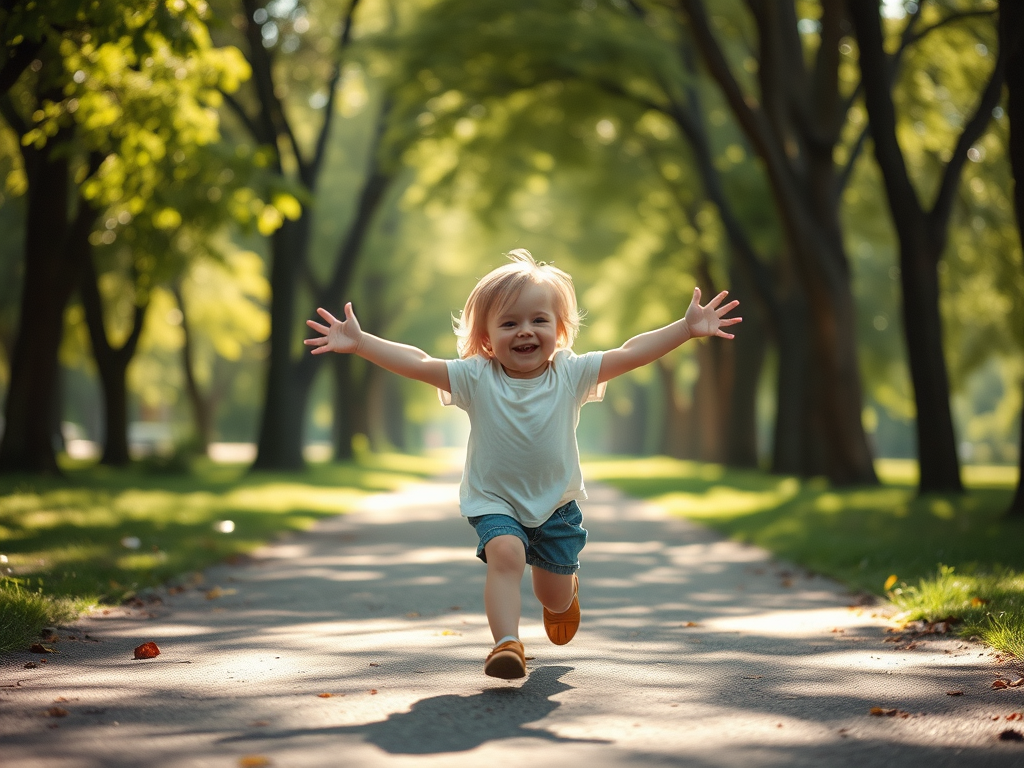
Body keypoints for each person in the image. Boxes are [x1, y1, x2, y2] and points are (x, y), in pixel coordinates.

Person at [305, 249, 740, 679]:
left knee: (551, 596)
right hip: (494, 501)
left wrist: (684, 329)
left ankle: (564, 594)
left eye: (538, 320)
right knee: (506, 555)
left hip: (556, 508)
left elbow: (630, 352)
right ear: (487, 338)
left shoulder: (572, 374)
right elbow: (418, 363)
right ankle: (505, 644)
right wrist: (361, 343)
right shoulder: (475, 377)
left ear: (560, 329)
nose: (525, 332)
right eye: (509, 323)